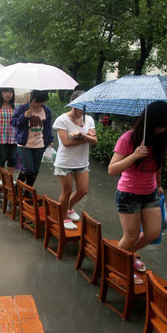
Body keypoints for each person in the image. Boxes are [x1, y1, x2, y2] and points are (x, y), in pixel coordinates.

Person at [108, 100, 167, 283]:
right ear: (152, 121)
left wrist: (159, 185)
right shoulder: (128, 139)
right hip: (128, 194)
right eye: (162, 126)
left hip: (150, 193)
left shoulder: (160, 139)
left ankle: (125, 256)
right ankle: (120, 264)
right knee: (130, 236)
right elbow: (112, 169)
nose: (164, 130)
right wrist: (135, 155)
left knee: (153, 233)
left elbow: (158, 165)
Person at [53, 90, 97, 230]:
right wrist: (85, 138)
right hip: (65, 161)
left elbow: (94, 140)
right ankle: (63, 218)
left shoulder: (89, 119)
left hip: (82, 161)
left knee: (83, 190)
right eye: (79, 105)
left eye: (84, 106)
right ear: (72, 104)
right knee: (66, 191)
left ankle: (68, 208)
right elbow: (66, 142)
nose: (81, 109)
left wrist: (82, 136)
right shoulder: (62, 120)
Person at [11, 90, 54, 187]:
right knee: (28, 169)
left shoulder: (46, 110)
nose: (39, 104)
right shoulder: (22, 109)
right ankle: (17, 189)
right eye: (37, 102)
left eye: (42, 102)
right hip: (24, 144)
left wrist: (50, 139)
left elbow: (48, 127)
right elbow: (13, 123)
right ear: (32, 98)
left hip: (40, 144)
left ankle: (28, 191)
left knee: (35, 170)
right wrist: (24, 116)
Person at [0, 88, 17, 172]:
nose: (8, 95)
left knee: (12, 158)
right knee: (2, 157)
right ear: (1, 94)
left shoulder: (15, 106)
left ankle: (9, 180)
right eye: (5, 92)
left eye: (10, 92)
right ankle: (1, 180)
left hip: (13, 135)